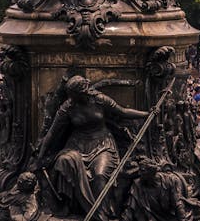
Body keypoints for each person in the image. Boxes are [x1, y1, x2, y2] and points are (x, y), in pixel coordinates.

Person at [36, 75, 147, 221]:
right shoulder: (68, 107)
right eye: (70, 95)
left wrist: (147, 114)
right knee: (64, 160)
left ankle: (101, 215)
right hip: (77, 145)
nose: (71, 98)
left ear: (83, 92)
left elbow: (122, 112)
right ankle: (78, 209)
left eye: (74, 95)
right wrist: (40, 155)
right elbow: (52, 133)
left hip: (102, 143)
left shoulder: (99, 99)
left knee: (100, 175)